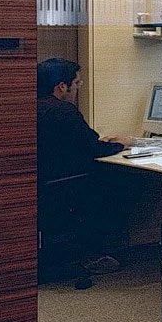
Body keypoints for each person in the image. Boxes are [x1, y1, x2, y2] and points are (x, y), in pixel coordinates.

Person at [36, 58, 125, 284]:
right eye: (77, 83)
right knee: (126, 184)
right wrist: (122, 144)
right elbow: (93, 148)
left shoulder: (32, 106)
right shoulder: (64, 111)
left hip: (41, 185)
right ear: (62, 87)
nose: (77, 88)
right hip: (60, 187)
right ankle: (94, 253)